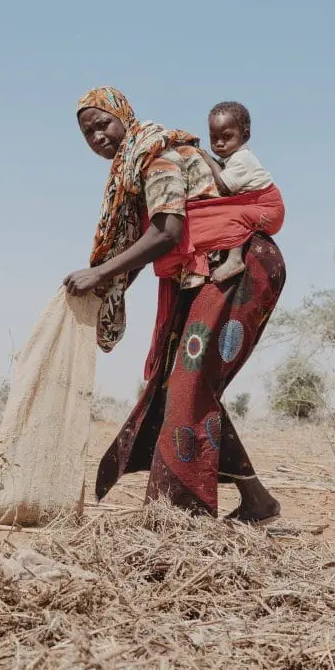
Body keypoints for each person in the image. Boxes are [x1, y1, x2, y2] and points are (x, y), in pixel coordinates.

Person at [63, 86, 285, 524]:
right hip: (202, 272)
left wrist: (102, 275)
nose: (98, 137)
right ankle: (257, 502)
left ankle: (179, 520)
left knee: (189, 384)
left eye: (103, 123)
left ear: (124, 117)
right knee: (175, 384)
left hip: (238, 265)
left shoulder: (156, 158)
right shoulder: (133, 169)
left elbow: (167, 232)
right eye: (88, 132)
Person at [199, 100, 280, 283]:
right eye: (214, 138)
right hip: (259, 205)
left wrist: (208, 160)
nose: (219, 143)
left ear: (245, 136)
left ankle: (234, 260)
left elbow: (224, 187)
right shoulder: (232, 159)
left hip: (267, 208)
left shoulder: (242, 159)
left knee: (232, 213)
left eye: (226, 137)